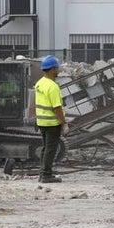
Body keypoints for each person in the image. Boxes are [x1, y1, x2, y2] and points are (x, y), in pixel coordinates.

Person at [33, 55, 66, 183]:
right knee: (51, 149)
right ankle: (46, 175)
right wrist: (64, 123)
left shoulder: (39, 83)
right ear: (52, 69)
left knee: (45, 148)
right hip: (52, 123)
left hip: (41, 121)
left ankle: (42, 174)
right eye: (57, 68)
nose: (58, 70)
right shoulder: (53, 87)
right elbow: (57, 107)